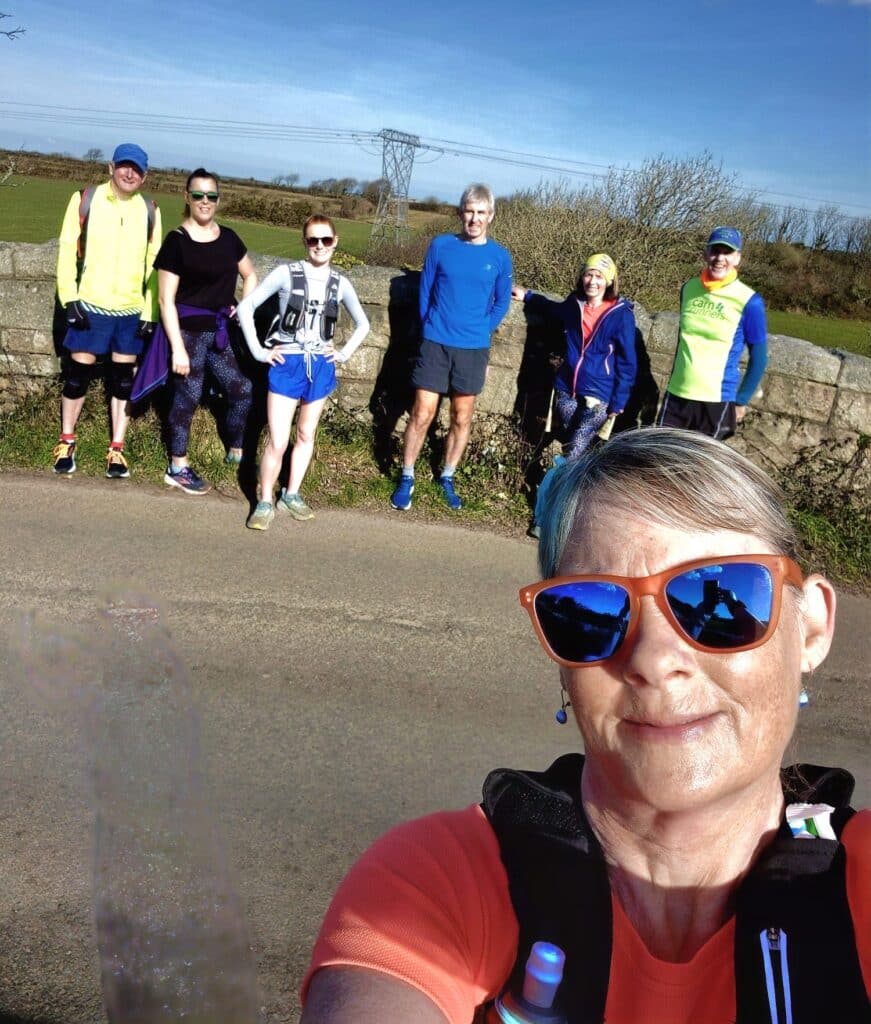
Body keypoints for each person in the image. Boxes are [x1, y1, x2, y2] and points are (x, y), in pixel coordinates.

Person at [300, 428, 869, 1024]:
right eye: (596, 612)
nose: (652, 660)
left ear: (810, 628)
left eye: (720, 595)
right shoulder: (435, 883)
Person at [235, 214, 369, 530]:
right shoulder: (286, 274)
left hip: (320, 365)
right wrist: (259, 352)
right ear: (305, 242)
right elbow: (245, 307)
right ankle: (265, 500)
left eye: (325, 239)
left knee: (306, 433)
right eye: (313, 239)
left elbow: (364, 324)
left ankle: (291, 494)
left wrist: (343, 353)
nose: (319, 246)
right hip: (287, 363)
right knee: (279, 440)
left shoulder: (341, 282)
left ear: (335, 241)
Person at [390, 184, 512, 512]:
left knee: (461, 417)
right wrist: (431, 325)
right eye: (469, 212)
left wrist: (482, 329)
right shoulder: (441, 245)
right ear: (460, 213)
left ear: (491, 216)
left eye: (481, 213)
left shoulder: (500, 257)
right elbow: (426, 289)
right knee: (422, 412)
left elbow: (502, 301)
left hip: (473, 348)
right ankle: (407, 474)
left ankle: (447, 475)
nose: (474, 219)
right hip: (436, 342)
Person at [53, 142, 162, 478]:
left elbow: (153, 266)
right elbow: (67, 248)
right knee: (76, 377)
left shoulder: (150, 210)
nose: (130, 173)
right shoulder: (85, 199)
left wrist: (148, 314)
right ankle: (67, 441)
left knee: (121, 383)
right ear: (111, 168)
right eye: (125, 166)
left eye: (137, 169)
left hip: (130, 310)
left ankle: (117, 449)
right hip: (89, 304)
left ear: (144, 177)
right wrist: (69, 299)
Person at [513, 253, 637, 536]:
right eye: (588, 274)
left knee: (571, 455)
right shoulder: (574, 304)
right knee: (575, 452)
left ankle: (545, 518)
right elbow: (553, 309)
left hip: (600, 398)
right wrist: (528, 295)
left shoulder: (621, 315)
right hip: (567, 390)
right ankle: (578, 512)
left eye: (599, 276)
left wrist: (619, 401)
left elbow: (628, 363)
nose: (592, 281)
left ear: (609, 281)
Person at [153, 168, 257, 495]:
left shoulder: (228, 238)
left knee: (241, 388)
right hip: (187, 334)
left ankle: (236, 448)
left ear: (218, 200)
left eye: (211, 196)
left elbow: (250, 275)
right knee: (188, 397)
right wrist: (178, 350)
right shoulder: (176, 242)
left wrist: (243, 307)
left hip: (220, 330)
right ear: (187, 197)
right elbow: (165, 300)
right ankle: (177, 466)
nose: (205, 201)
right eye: (198, 195)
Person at [658, 226, 768, 440]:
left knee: (698, 471)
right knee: (662, 465)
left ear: (737, 258)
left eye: (727, 252)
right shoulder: (688, 289)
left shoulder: (749, 301)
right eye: (715, 251)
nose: (720, 258)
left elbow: (760, 357)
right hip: (677, 395)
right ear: (706, 253)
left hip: (716, 400)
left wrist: (741, 400)